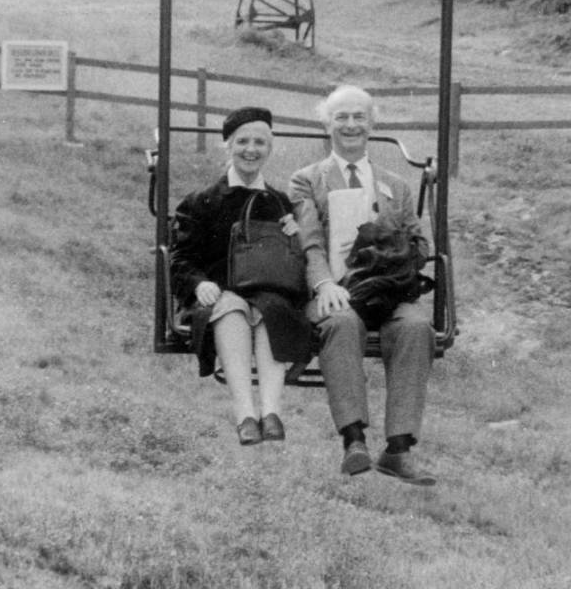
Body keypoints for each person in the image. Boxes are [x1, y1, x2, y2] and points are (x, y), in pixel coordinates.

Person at [289, 84, 436, 485]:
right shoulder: (307, 181)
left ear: (372, 123)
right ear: (327, 124)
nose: (351, 125)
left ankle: (399, 449)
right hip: (336, 289)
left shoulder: (396, 186)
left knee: (415, 326)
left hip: (386, 290)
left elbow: (422, 243)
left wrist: (396, 254)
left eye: (359, 117)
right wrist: (322, 284)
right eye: (341, 117)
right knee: (340, 322)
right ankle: (354, 440)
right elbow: (308, 240)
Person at [171, 106, 312, 445]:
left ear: (270, 149)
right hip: (218, 296)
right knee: (232, 308)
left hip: (268, 293)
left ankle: (271, 411)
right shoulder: (201, 202)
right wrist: (199, 283)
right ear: (228, 146)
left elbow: (297, 265)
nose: (251, 150)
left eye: (260, 143)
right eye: (243, 142)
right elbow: (180, 259)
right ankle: (245, 413)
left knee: (271, 311)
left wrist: (295, 237)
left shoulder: (279, 203)